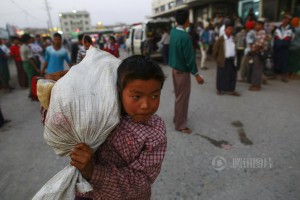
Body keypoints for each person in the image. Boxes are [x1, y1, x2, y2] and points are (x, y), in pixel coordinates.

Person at [68, 55, 167, 199]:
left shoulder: (155, 131)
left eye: (154, 96)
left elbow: (142, 180)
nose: (146, 105)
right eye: (136, 97)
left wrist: (93, 171)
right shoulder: (100, 111)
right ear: (119, 91)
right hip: (87, 193)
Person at [168, 9, 204, 134]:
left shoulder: (173, 32)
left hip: (174, 69)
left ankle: (177, 118)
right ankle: (180, 125)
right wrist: (196, 74)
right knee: (183, 98)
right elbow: (189, 58)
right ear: (187, 20)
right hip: (182, 71)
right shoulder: (185, 37)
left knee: (179, 96)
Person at [213, 23, 240, 96]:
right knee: (221, 74)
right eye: (229, 29)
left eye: (231, 29)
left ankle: (231, 89)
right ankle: (220, 89)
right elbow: (215, 49)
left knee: (232, 75)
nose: (230, 31)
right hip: (223, 59)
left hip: (231, 59)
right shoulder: (221, 39)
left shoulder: (232, 38)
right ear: (225, 30)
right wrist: (216, 58)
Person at [273, 14, 294, 82]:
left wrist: (285, 43)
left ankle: (284, 75)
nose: (284, 20)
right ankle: (275, 74)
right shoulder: (278, 28)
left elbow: (292, 38)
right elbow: (274, 37)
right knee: (276, 59)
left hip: (285, 46)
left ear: (288, 20)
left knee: (284, 61)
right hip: (277, 46)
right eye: (283, 19)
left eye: (286, 19)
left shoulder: (291, 29)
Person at [249, 19, 268, 91]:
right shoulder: (258, 32)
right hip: (256, 52)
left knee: (257, 69)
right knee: (255, 69)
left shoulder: (262, 33)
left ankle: (257, 85)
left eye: (257, 25)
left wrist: (254, 50)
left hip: (258, 53)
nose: (255, 26)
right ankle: (254, 84)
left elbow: (260, 44)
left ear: (261, 26)